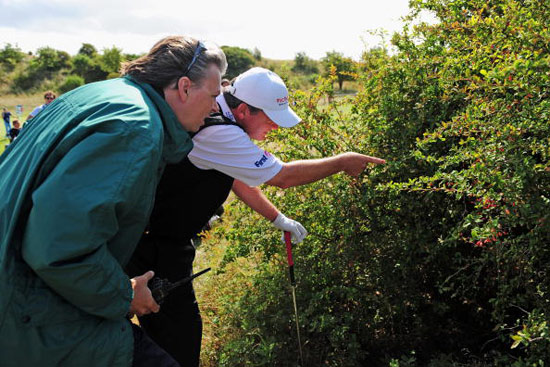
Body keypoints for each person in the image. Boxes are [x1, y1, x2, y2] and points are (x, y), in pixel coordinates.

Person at [127, 67, 386, 366]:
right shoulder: (218, 130)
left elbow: (236, 178)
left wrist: (277, 218)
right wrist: (343, 162)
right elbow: (283, 177)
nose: (276, 127)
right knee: (176, 340)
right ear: (244, 110)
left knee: (160, 332)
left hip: (160, 237)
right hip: (153, 243)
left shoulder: (219, 117)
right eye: (271, 119)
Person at [0, 35, 227, 367]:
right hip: (32, 311)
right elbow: (59, 249)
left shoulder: (102, 95)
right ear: (183, 88)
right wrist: (124, 294)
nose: (214, 109)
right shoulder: (135, 130)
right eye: (213, 96)